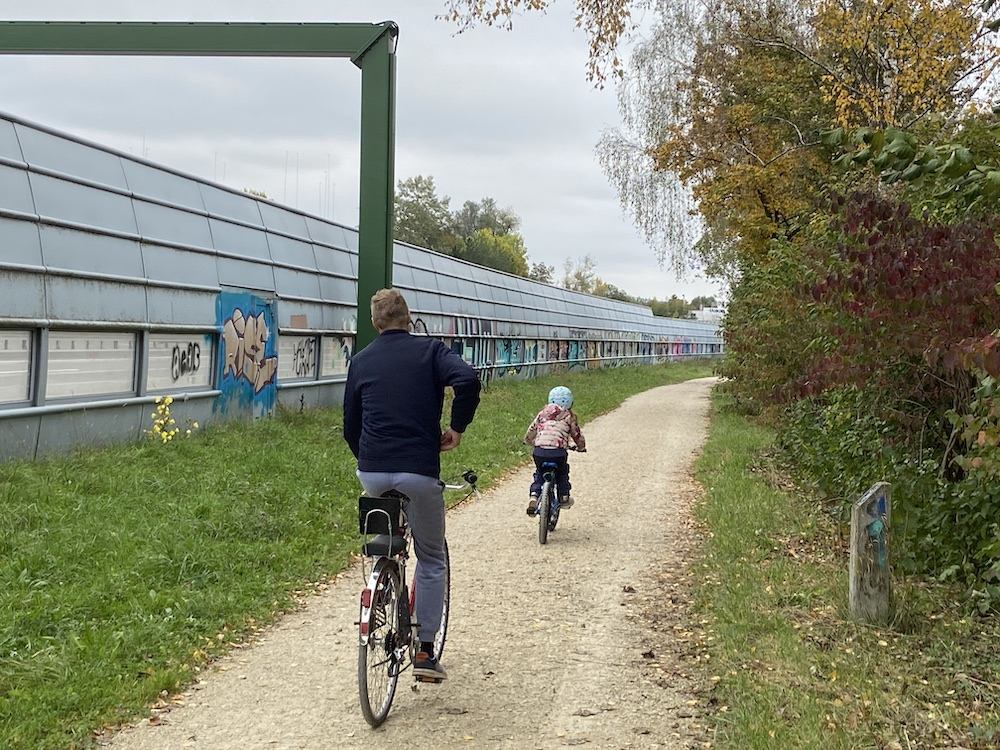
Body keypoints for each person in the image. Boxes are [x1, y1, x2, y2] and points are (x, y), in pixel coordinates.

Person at [343, 288, 481, 683]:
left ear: (375, 323)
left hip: (372, 470)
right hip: (418, 472)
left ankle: (383, 578)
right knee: (431, 557)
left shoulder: (361, 361)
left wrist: (368, 457)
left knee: (385, 536)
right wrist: (457, 427)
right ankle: (424, 651)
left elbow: (351, 423)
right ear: (408, 317)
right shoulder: (431, 352)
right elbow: (467, 380)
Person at [523, 385, 586, 515]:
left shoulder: (542, 414)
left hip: (539, 451)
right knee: (562, 472)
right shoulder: (569, 416)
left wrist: (528, 440)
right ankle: (563, 496)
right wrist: (581, 447)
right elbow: (576, 435)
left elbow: (532, 429)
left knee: (539, 473)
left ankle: (534, 495)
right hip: (558, 452)